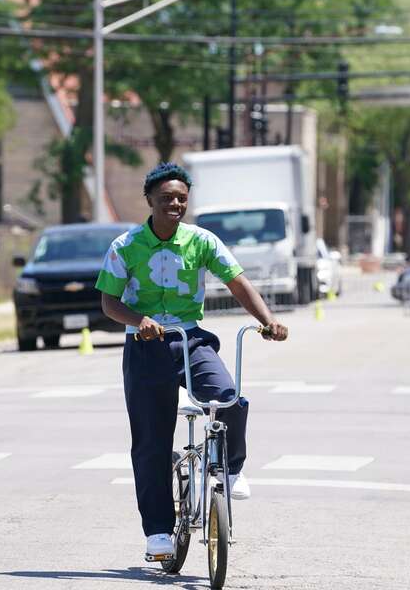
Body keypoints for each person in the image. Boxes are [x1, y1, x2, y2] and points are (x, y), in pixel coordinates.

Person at [95, 162, 289, 560]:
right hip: (146, 346)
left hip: (190, 339)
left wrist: (267, 321)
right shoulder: (126, 246)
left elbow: (237, 282)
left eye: (181, 198)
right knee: (150, 441)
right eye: (166, 198)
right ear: (149, 201)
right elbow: (108, 303)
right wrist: (139, 320)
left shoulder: (202, 241)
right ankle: (159, 533)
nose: (175, 204)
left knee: (228, 398)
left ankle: (230, 469)